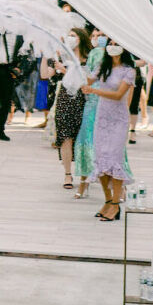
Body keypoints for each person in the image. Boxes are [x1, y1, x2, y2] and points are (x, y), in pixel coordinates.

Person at [82, 42, 136, 222]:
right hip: (102, 118)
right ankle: (107, 200)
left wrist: (94, 90)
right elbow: (87, 81)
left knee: (114, 159)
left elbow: (119, 95)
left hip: (118, 120)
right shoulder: (102, 66)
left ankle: (115, 203)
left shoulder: (129, 71)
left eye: (116, 44)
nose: (112, 46)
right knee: (101, 158)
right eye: (110, 43)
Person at [53, 27, 90, 190]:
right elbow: (45, 74)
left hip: (84, 99)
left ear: (81, 38)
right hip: (65, 97)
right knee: (65, 135)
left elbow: (89, 80)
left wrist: (65, 70)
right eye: (68, 35)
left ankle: (85, 173)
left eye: (73, 36)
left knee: (83, 137)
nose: (70, 38)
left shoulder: (91, 58)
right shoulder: (63, 56)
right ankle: (68, 174)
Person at [73, 30, 106, 199]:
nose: (97, 38)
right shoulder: (93, 53)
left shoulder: (117, 56)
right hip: (92, 102)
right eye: (94, 35)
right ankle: (83, 182)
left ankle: (118, 186)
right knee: (85, 141)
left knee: (109, 145)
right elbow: (89, 77)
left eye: (101, 34)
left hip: (109, 104)